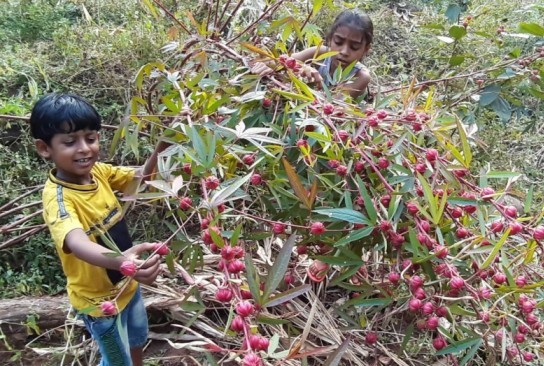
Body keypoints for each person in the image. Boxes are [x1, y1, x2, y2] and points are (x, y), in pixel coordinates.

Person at [30, 93, 169, 366]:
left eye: (91, 138)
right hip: (99, 305)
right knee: (117, 361)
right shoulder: (58, 198)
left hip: (127, 287)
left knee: (137, 340)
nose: (84, 149)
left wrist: (164, 145)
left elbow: (141, 181)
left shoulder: (100, 173)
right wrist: (125, 263)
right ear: (45, 148)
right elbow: (78, 243)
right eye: (70, 142)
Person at [252, 10, 373, 99]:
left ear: (365, 49)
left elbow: (329, 104)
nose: (344, 51)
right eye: (338, 42)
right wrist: (266, 65)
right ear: (330, 39)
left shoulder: (361, 77)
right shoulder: (318, 53)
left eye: (354, 47)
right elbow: (282, 62)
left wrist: (314, 84)